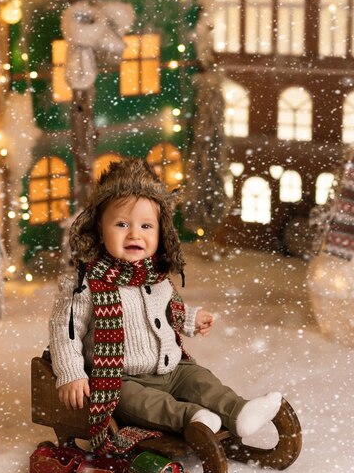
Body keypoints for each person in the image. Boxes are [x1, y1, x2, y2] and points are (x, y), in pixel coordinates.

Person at [49, 158, 282, 454]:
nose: (135, 234)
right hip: (121, 378)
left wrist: (191, 319)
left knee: (202, 381)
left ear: (161, 231)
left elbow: (168, 308)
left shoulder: (155, 275)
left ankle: (239, 412)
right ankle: (193, 419)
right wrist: (71, 372)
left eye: (146, 225)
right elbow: (64, 330)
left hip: (172, 368)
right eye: (121, 224)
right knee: (145, 403)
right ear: (98, 227)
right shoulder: (84, 282)